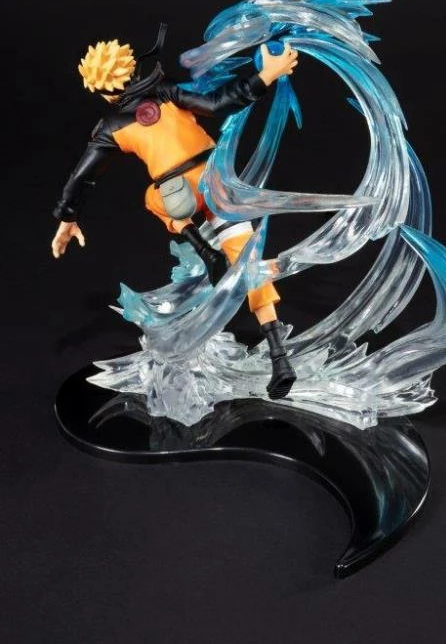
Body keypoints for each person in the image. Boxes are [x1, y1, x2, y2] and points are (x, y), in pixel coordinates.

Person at [51, 32, 299, 399]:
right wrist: (266, 75)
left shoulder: (111, 127)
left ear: (103, 92)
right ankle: (279, 356)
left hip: (177, 195)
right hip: (216, 184)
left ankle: (200, 245)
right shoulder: (165, 92)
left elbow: (82, 177)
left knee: (152, 197)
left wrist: (67, 217)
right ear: (132, 71)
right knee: (248, 262)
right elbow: (218, 102)